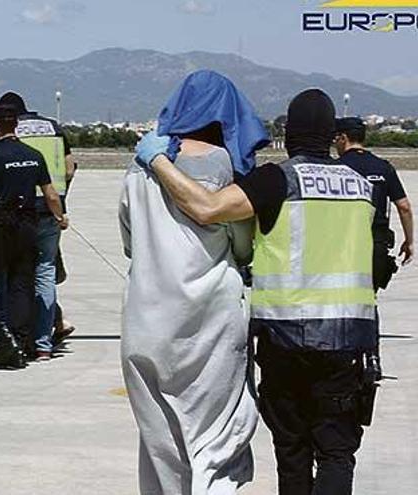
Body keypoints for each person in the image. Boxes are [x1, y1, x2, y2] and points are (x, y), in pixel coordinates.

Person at [137, 89, 377, 495]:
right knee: (337, 454)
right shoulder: (361, 185)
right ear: (331, 134)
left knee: (292, 449)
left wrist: (157, 160)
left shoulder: (276, 180)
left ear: (289, 131)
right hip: (348, 338)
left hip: (286, 339)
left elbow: (207, 208)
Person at [118, 70, 266, 494]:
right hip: (210, 324)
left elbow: (129, 238)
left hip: (146, 321)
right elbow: (242, 245)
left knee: (161, 446)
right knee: (217, 442)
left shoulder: (140, 165)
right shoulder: (223, 164)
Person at [0, 99, 68, 369]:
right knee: (22, 283)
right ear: (17, 124)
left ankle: (2, 331)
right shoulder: (34, 155)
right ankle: (22, 342)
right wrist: (60, 217)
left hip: (3, 226)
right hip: (29, 226)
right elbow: (50, 193)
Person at [0, 91, 76, 360]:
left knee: (12, 274)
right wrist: (59, 203)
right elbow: (68, 169)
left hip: (21, 213)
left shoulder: (11, 130)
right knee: (45, 272)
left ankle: (15, 334)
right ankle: (44, 343)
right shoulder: (52, 127)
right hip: (51, 210)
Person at [335, 117, 414, 291]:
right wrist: (409, 241)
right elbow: (404, 207)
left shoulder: (336, 168)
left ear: (343, 138)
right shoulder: (383, 167)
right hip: (376, 243)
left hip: (345, 243)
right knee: (370, 298)